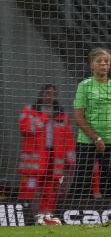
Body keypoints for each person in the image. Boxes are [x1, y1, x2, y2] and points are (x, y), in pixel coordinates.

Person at [70, 48, 111, 200]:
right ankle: (78, 214)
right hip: (87, 142)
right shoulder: (84, 86)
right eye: (99, 62)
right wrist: (96, 138)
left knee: (110, 183)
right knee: (82, 182)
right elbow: (78, 116)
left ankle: (109, 215)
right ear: (92, 65)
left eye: (107, 62)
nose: (104, 65)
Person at [18, 84, 75, 225]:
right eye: (46, 93)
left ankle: (46, 217)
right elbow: (24, 129)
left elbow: (68, 138)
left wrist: (70, 159)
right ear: (41, 94)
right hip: (35, 160)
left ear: (55, 96)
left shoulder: (61, 114)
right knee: (30, 188)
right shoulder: (29, 110)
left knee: (51, 189)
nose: (49, 96)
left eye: (52, 93)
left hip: (54, 158)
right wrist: (43, 119)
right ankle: (25, 216)